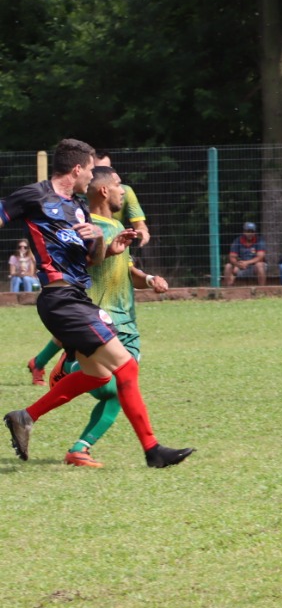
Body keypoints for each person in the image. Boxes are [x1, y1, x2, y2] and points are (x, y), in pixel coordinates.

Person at [0, 139, 193, 468]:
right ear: (77, 169)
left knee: (99, 376)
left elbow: (90, 261)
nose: (92, 177)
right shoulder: (34, 195)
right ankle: (152, 451)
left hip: (76, 296)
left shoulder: (77, 207)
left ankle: (25, 416)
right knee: (126, 367)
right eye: (90, 170)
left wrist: (106, 246)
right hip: (59, 298)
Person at [48, 164, 173, 467]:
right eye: (119, 185)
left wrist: (148, 280)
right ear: (104, 190)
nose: (124, 190)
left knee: (118, 389)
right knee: (118, 386)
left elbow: (126, 270)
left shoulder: (114, 228)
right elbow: (77, 269)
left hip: (122, 321)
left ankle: (79, 447)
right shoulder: (90, 228)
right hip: (104, 322)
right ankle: (63, 376)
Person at [25, 151, 149, 384]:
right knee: (79, 321)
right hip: (92, 255)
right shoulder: (77, 208)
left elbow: (141, 225)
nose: (94, 174)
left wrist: (136, 237)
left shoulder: (124, 194)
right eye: (92, 170)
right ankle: (59, 368)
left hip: (113, 247)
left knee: (79, 327)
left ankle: (43, 367)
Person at [223, 222, 267, 286]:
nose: (250, 234)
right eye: (248, 231)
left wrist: (247, 262)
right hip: (240, 265)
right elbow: (232, 256)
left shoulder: (259, 240)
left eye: (252, 231)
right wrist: (237, 264)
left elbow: (260, 257)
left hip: (254, 266)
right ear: (244, 231)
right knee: (228, 266)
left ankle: (262, 289)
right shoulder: (237, 241)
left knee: (259, 265)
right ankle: (229, 289)